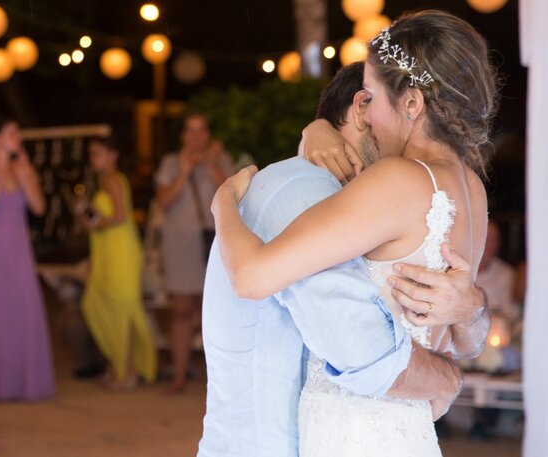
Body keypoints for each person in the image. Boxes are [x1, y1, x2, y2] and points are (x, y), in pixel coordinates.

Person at [210, 10, 496, 456]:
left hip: (353, 430)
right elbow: (464, 340)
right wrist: (319, 127)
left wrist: (224, 202)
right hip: (410, 431)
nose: (368, 116)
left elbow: (250, 276)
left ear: (412, 103)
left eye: (372, 97)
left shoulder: (399, 180)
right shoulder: (471, 188)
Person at [0, 118, 55, 401]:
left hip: (18, 249)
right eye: (12, 132)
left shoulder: (23, 169)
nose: (17, 137)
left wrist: (26, 176)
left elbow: (39, 208)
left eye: (18, 132)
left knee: (21, 309)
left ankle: (23, 383)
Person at [155, 113, 234, 392]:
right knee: (182, 310)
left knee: (218, 311)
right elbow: (164, 199)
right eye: (191, 130)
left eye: (201, 130)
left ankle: (219, 381)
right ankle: (179, 375)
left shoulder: (221, 159)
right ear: (183, 135)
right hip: (181, 245)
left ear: (208, 134)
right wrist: (185, 170)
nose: (196, 136)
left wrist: (212, 164)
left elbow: (233, 195)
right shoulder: (170, 163)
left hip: (216, 243)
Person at [80, 136, 157, 389]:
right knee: (99, 304)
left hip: (120, 250)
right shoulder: (102, 181)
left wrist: (93, 221)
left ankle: (129, 371)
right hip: (107, 250)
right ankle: (119, 365)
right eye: (92, 154)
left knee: (123, 309)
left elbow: (120, 216)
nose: (95, 159)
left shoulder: (113, 179)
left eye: (99, 153)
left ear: (112, 155)